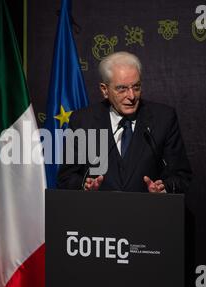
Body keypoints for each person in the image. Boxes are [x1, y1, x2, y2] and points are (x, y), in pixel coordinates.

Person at [57, 51, 192, 193]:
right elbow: (66, 178)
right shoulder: (82, 121)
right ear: (104, 90)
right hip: (98, 212)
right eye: (122, 88)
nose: (131, 96)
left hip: (148, 212)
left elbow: (181, 176)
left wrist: (164, 188)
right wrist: (85, 185)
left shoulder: (163, 118)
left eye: (136, 87)